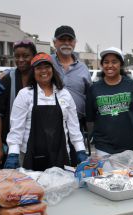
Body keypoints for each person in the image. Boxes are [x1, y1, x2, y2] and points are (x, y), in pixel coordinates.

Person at [4, 52, 88, 215]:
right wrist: (13, 153)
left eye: (47, 66)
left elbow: (74, 128)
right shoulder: (25, 94)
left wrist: (81, 151)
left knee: (63, 194)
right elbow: (15, 128)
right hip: (33, 153)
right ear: (34, 71)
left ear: (53, 69)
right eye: (39, 67)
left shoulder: (64, 94)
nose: (44, 70)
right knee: (38, 195)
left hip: (61, 152)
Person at [86, 47, 133, 215]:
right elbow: (90, 117)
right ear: (102, 65)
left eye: (114, 61)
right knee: (106, 185)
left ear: (121, 64)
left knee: (126, 186)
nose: (110, 65)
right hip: (104, 143)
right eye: (106, 62)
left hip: (130, 145)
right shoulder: (94, 89)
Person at [0, 39, 37, 168]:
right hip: (11, 145)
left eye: (26, 56)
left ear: (34, 57)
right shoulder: (6, 80)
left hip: (34, 144)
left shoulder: (40, 79)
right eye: (17, 56)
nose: (21, 59)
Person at [51, 25, 92, 165]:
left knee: (75, 166)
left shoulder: (83, 68)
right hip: (50, 126)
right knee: (54, 167)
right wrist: (4, 75)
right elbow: (22, 68)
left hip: (77, 125)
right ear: (54, 42)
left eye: (70, 39)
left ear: (75, 42)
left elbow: (90, 95)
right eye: (62, 40)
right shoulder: (46, 63)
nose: (67, 43)